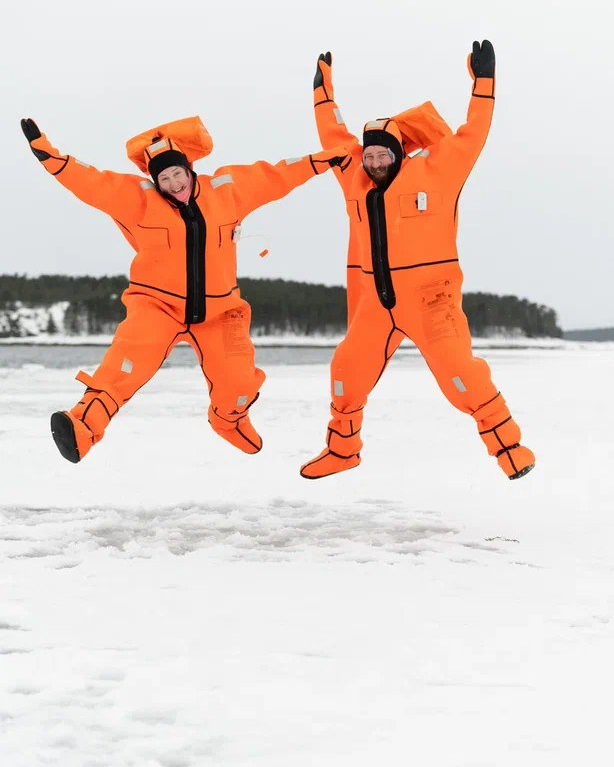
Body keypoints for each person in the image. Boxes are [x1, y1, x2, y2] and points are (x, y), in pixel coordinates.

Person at [20, 115, 349, 463]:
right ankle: (80, 428)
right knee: (123, 367)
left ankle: (228, 420)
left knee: (238, 380)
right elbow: (93, 183)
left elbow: (277, 174)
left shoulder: (227, 189)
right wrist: (51, 158)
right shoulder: (139, 200)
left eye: (178, 173)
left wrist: (320, 161)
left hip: (220, 312)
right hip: (157, 306)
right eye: (164, 178)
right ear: (156, 181)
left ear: (189, 170)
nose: (174, 183)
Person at [301, 41, 535, 481]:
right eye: (368, 155)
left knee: (460, 374)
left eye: (382, 154)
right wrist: (322, 94)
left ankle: (509, 447)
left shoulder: (437, 172)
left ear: (399, 152)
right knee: (345, 372)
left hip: (431, 301)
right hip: (376, 304)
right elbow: (333, 136)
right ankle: (342, 450)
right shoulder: (354, 178)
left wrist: (483, 83)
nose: (373, 162)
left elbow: (473, 134)